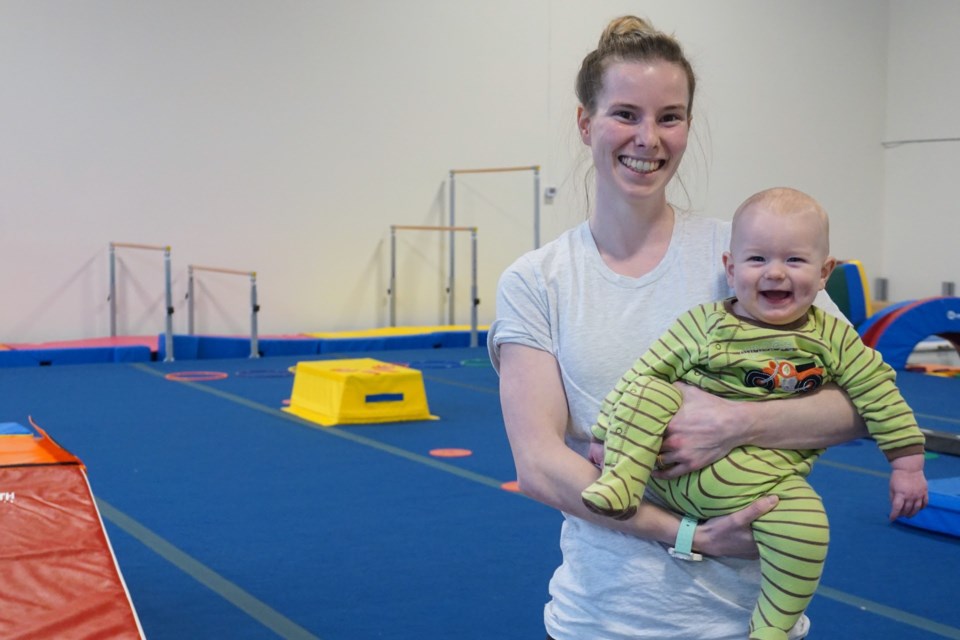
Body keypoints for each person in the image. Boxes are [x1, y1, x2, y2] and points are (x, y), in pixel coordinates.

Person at [488, 15, 870, 640]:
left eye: (671, 116)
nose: (649, 138)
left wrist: (737, 422)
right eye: (626, 114)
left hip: (750, 617)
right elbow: (538, 465)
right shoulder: (538, 280)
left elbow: (860, 400)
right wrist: (688, 534)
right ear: (586, 124)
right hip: (606, 617)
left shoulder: (746, 255)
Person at [582, 187, 928, 640]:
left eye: (795, 260)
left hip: (764, 487)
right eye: (757, 259)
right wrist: (606, 434)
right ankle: (621, 483)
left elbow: (877, 393)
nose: (775, 273)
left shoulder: (835, 341)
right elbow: (642, 373)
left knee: (808, 528)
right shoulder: (703, 324)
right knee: (650, 390)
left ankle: (773, 626)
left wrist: (907, 464)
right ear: (730, 268)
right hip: (661, 476)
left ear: (825, 272)